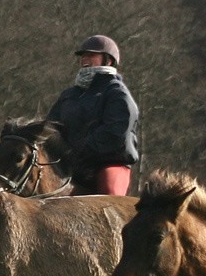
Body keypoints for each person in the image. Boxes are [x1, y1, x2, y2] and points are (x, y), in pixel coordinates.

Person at [46, 35, 139, 195]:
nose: (84, 59)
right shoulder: (70, 94)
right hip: (71, 163)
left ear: (108, 61)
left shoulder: (117, 93)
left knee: (109, 200)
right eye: (83, 56)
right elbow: (51, 125)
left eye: (91, 55)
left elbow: (115, 133)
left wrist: (78, 150)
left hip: (108, 163)